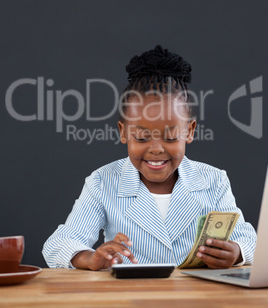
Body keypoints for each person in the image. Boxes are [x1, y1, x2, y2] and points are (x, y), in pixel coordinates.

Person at [42, 45, 256, 271]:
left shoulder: (214, 181)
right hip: (129, 301)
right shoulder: (103, 182)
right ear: (123, 132)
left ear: (189, 131)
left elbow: (250, 239)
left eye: (171, 137)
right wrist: (88, 258)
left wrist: (237, 253)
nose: (156, 149)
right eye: (142, 138)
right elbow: (58, 244)